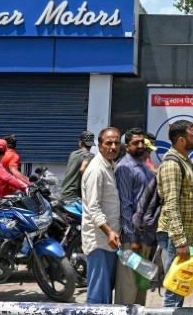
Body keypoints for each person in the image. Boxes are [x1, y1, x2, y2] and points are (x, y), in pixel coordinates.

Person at [156, 119, 193, 308]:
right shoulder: (172, 164)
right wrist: (180, 241)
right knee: (174, 290)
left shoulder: (184, 161)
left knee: (181, 286)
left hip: (183, 236)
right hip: (174, 237)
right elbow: (171, 205)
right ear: (181, 140)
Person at [81, 127, 122, 305]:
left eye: (116, 143)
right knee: (98, 296)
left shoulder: (111, 166)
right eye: (108, 143)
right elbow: (93, 208)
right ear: (99, 145)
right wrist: (109, 232)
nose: (113, 147)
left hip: (110, 240)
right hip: (99, 240)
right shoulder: (96, 169)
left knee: (106, 292)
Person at [114, 127, 155, 305]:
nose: (139, 145)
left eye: (141, 142)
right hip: (132, 237)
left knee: (141, 282)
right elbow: (125, 204)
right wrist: (131, 238)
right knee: (128, 284)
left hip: (145, 233)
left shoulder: (142, 165)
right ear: (126, 146)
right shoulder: (125, 167)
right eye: (135, 143)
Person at [61, 131, 95, 204]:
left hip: (64, 193)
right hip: (74, 197)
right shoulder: (90, 156)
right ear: (91, 145)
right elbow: (83, 168)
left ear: (80, 143)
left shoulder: (73, 154)